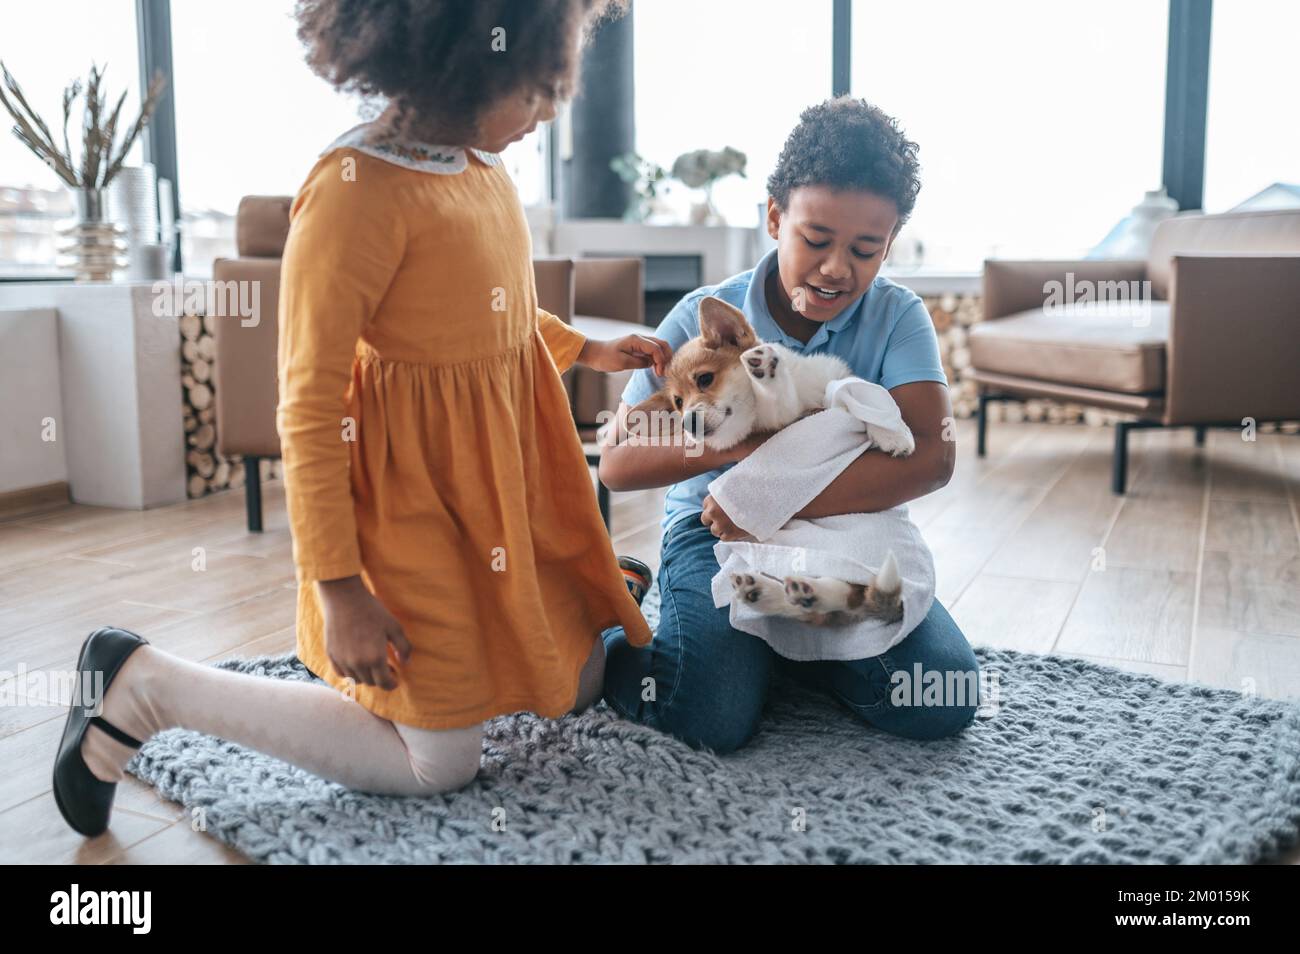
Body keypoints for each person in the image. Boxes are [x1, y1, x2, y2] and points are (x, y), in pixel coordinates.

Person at [55, 0, 670, 836]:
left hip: (496, 486)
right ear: (459, 64)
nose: (549, 110)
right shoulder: (354, 191)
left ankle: (562, 595)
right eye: (533, 89)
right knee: (438, 762)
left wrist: (585, 352)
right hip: (411, 508)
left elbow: (497, 307)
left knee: (581, 675)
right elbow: (307, 406)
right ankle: (140, 684)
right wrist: (340, 589)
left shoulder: (481, 165)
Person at [598, 97, 981, 755]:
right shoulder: (701, 317)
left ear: (890, 243)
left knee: (939, 693)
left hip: (848, 530)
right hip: (711, 528)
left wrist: (777, 498)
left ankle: (786, 653)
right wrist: (750, 452)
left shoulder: (897, 316)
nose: (837, 268)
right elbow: (620, 463)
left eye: (866, 249)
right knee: (709, 715)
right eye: (816, 240)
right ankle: (608, 626)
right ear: (775, 217)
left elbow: (930, 459)